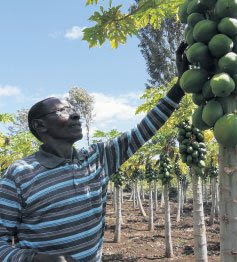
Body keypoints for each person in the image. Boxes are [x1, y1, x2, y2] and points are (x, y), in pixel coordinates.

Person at [0, 43, 189, 262]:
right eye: (63, 111)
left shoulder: (97, 159)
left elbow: (143, 130)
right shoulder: (20, 175)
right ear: (40, 126)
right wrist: (36, 259)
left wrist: (180, 87)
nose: (75, 115)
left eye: (74, 109)